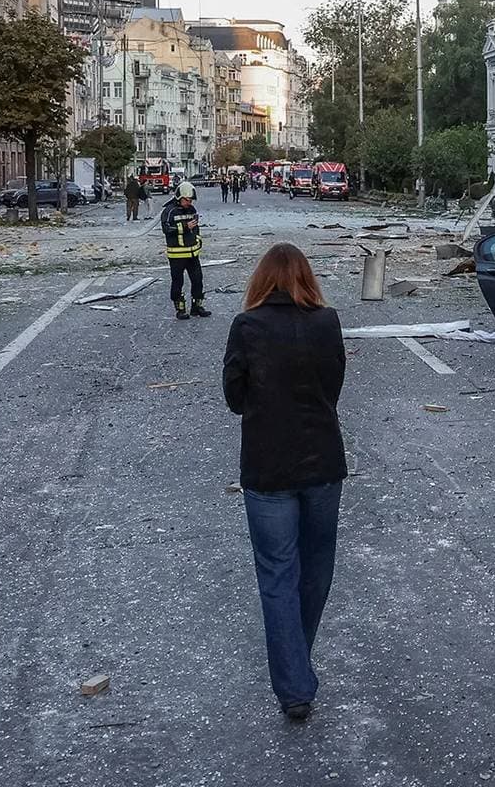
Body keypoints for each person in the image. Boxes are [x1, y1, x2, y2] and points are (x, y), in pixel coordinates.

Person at [221, 243, 346, 721]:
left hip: (268, 468)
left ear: (260, 281)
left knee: (277, 574)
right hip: (322, 464)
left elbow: (234, 396)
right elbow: (334, 387)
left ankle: (294, 683)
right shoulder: (327, 322)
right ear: (307, 279)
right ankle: (297, 665)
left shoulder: (247, 327)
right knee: (316, 571)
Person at [160, 181, 212, 320]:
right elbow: (166, 230)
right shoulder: (169, 211)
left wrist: (198, 240)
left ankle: (197, 307)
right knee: (178, 282)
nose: (189, 203)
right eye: (187, 200)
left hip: (192, 253)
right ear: (179, 197)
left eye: (190, 200)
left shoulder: (192, 210)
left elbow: (196, 228)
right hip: (177, 254)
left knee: (198, 280)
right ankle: (180, 309)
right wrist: (184, 227)